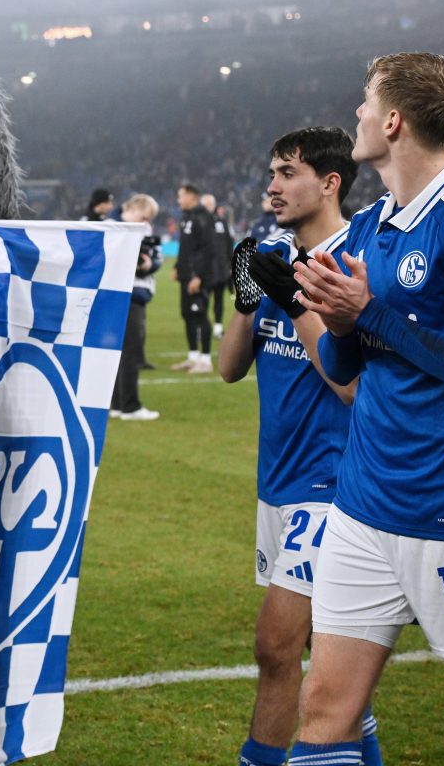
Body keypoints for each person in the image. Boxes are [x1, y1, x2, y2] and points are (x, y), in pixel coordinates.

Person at [290, 52, 444, 763]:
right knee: (325, 711)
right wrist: (342, 323)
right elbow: (345, 365)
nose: (359, 115)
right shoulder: (370, 226)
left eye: (367, 102)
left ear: (395, 120)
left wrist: (373, 314)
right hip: (362, 506)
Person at [218, 126, 384, 766]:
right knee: (336, 678)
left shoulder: (354, 266)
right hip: (279, 484)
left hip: (336, 485)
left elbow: (350, 386)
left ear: (330, 182)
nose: (272, 185)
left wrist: (294, 301)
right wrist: (245, 297)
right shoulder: (272, 255)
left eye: (288, 172)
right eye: (271, 172)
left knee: (277, 646)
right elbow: (231, 368)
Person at [110, 194, 162, 420]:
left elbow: (156, 257)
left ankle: (117, 404)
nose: (146, 224)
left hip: (129, 294)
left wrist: (149, 264)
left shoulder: (138, 230)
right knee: (129, 352)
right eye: (144, 217)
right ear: (134, 209)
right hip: (125, 294)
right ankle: (130, 406)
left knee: (120, 353)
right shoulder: (112, 229)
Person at [172, 183, 216, 373]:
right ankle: (193, 357)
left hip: (198, 278)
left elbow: (208, 250)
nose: (178, 200)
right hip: (185, 276)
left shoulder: (203, 218)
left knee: (200, 315)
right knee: (187, 314)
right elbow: (186, 248)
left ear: (191, 197)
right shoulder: (186, 218)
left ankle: (206, 361)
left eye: (180, 196)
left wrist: (198, 276)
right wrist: (177, 266)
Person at [202, 193, 235, 338]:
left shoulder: (221, 222)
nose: (209, 206)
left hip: (221, 269)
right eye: (206, 204)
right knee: (203, 299)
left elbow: (229, 245)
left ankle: (217, 328)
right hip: (204, 270)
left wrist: (230, 265)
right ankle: (201, 328)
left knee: (218, 299)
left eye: (211, 204)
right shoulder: (199, 222)